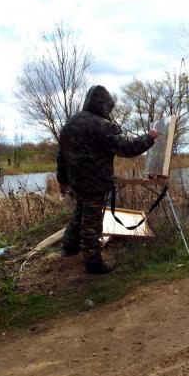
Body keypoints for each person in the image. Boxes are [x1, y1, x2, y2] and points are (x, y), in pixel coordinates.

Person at [56, 85, 158, 274]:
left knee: (79, 214)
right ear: (103, 105)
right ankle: (93, 263)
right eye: (108, 108)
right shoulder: (102, 125)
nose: (109, 112)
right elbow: (127, 148)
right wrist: (150, 137)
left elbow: (61, 155)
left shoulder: (71, 123)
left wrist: (62, 179)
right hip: (94, 183)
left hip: (76, 181)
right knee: (91, 223)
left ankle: (69, 248)